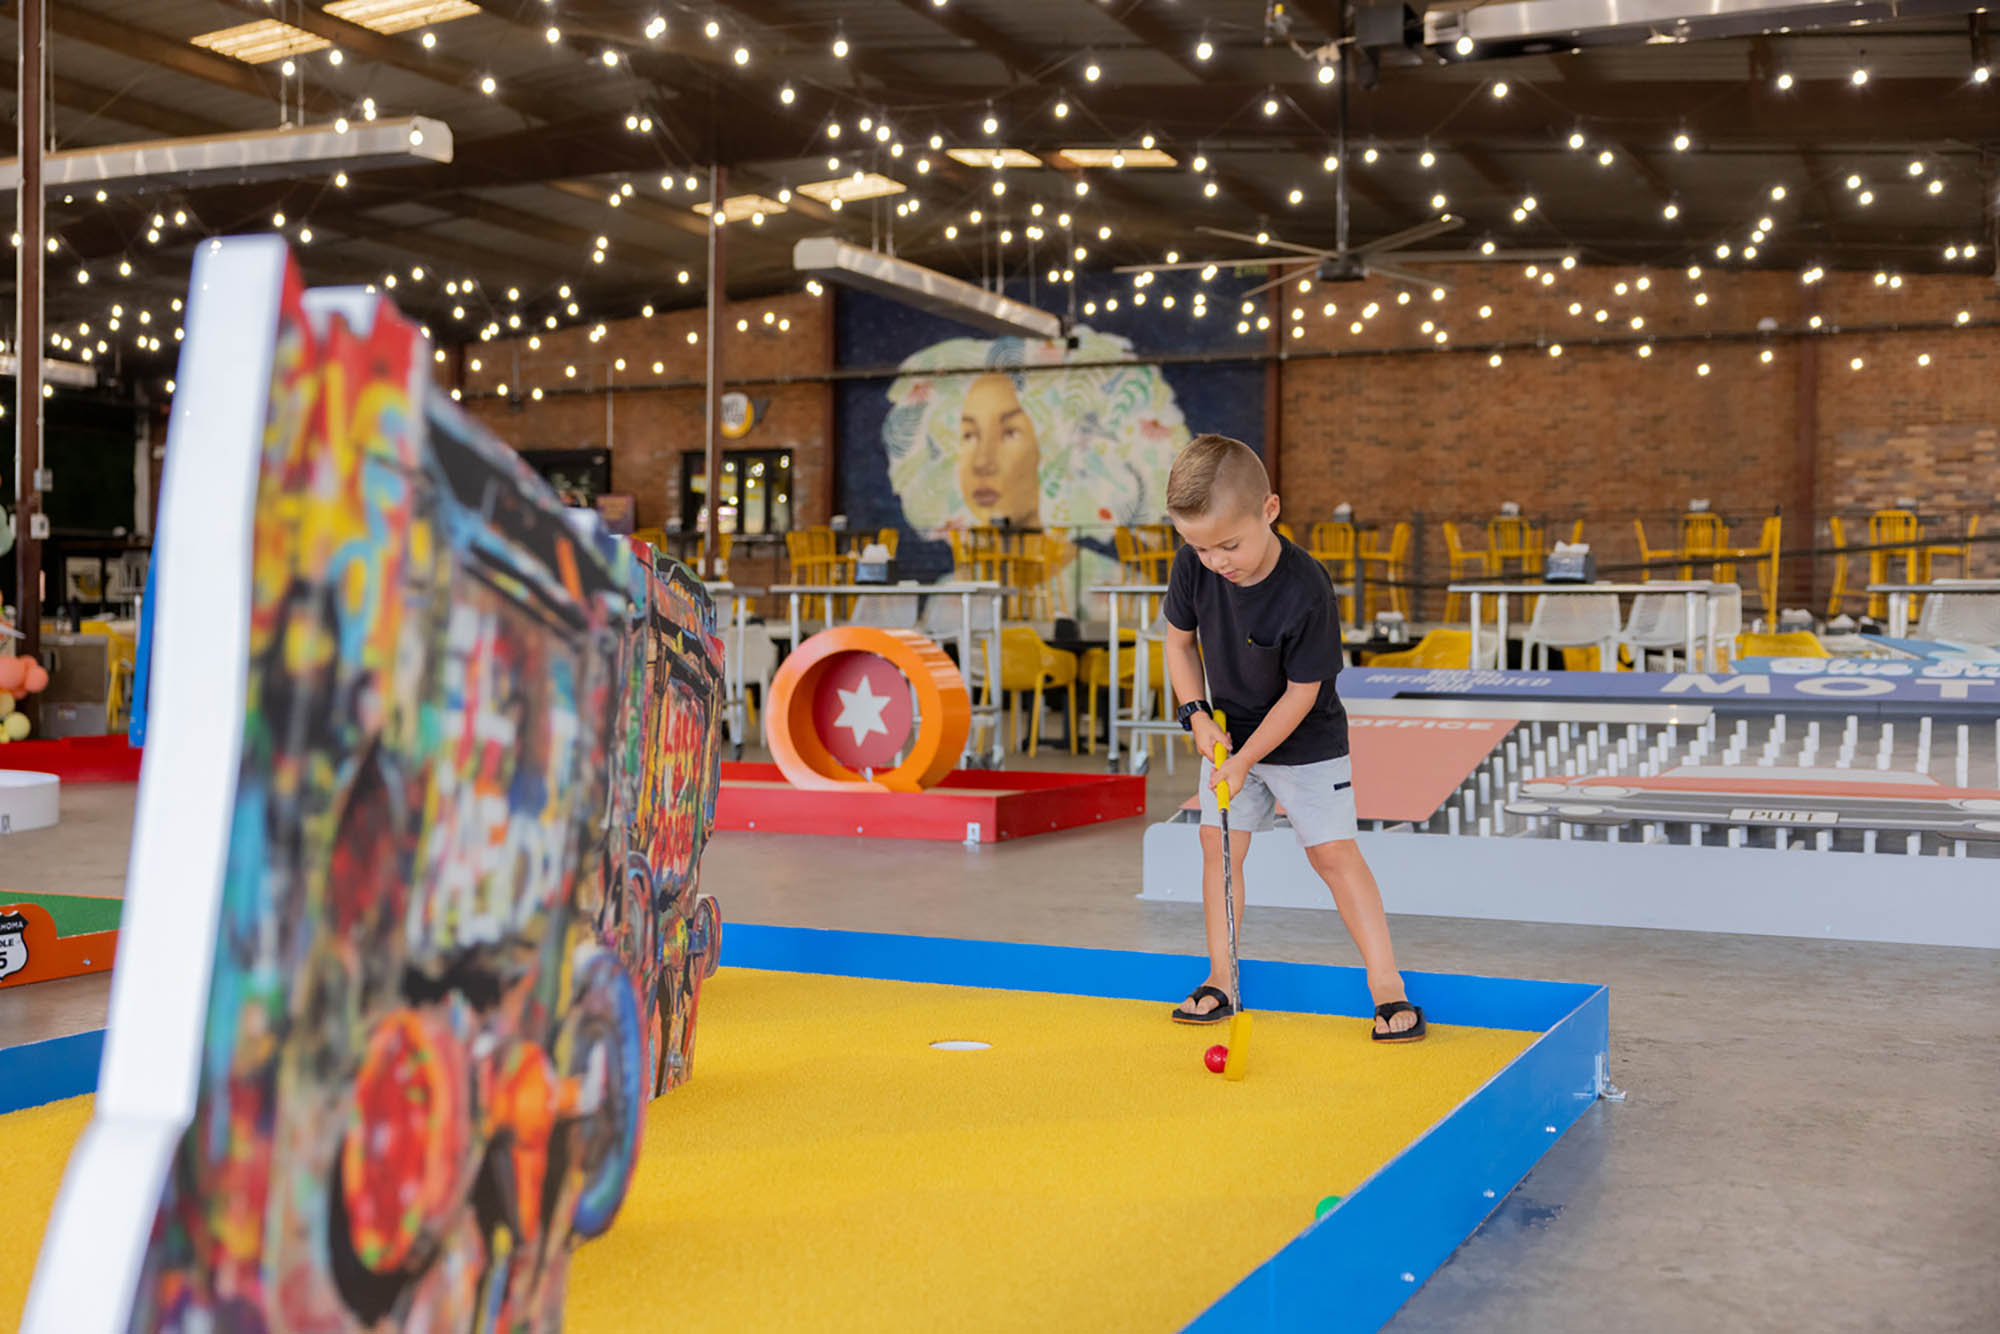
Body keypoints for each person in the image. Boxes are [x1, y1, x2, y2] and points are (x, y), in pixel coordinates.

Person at [1159, 433, 1424, 1042]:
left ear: (1270, 511)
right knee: (1218, 849)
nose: (1216, 561)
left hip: (1303, 735)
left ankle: (1387, 987)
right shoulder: (1193, 566)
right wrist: (1196, 716)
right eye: (1200, 549)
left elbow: (1303, 694)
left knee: (1332, 855)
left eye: (1229, 544)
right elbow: (1177, 642)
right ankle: (1221, 979)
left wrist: (1245, 760)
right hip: (1227, 730)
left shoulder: (1307, 588)